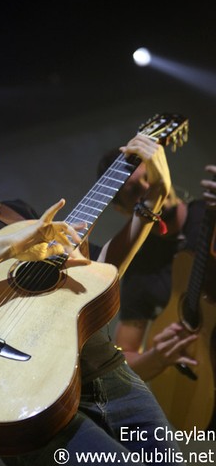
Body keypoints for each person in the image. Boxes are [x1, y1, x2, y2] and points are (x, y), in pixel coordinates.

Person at [0, 95, 184, 466]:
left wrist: (154, 200)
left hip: (109, 374)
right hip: (23, 400)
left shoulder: (13, 214)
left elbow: (97, 279)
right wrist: (1, 249)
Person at [97, 149, 216, 382]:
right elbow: (124, 355)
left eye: (149, 177)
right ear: (121, 209)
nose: (146, 188)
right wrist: (157, 357)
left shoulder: (211, 213)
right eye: (133, 190)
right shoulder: (139, 267)